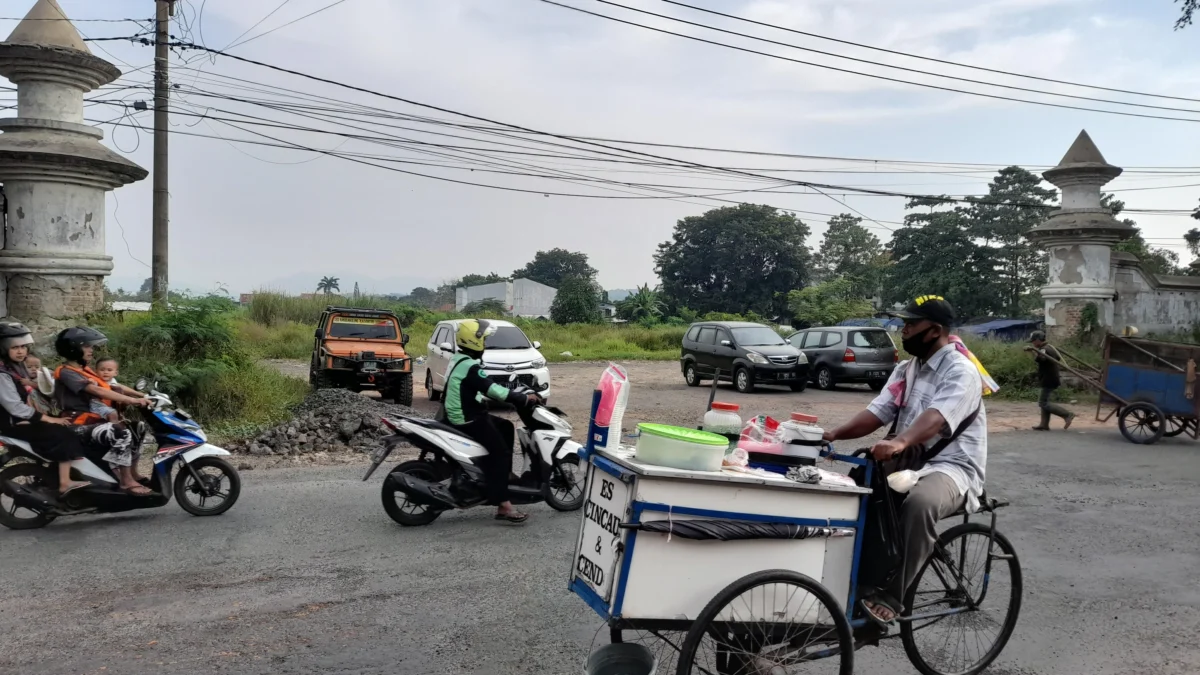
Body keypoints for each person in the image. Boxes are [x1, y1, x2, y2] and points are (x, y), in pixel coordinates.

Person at [822, 295, 987, 626]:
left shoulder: (961, 371)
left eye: (911, 325)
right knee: (851, 492)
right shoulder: (906, 369)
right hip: (909, 462)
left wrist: (899, 441)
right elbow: (877, 412)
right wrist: (831, 435)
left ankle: (892, 595)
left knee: (920, 504)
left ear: (934, 331)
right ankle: (852, 578)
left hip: (953, 468)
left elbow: (937, 418)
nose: (904, 330)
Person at [442, 319, 540, 524]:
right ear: (474, 341)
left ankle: (503, 474)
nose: (485, 344)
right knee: (500, 452)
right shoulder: (470, 366)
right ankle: (503, 505)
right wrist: (522, 398)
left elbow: (474, 388)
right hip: (466, 418)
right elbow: (492, 389)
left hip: (461, 413)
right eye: (484, 340)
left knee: (505, 426)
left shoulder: (459, 359)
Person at [53, 327, 153, 495]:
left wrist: (143, 395)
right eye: (86, 346)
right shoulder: (67, 373)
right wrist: (133, 401)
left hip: (94, 420)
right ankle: (126, 481)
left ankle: (133, 472)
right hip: (76, 423)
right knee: (120, 432)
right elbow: (98, 391)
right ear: (73, 348)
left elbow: (114, 386)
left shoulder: (86, 370)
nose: (91, 350)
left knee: (137, 427)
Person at [0, 323, 91, 495]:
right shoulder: (3, 374)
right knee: (63, 433)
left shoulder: (17, 369)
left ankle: (65, 474)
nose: (20, 351)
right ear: (4, 350)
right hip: (15, 424)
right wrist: (50, 419)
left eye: (23, 347)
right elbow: (15, 407)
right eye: (14, 348)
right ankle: (65, 483)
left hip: (25, 420)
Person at [1024, 330, 1075, 431]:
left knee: (1042, 402)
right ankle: (1044, 424)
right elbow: (1055, 358)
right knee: (1045, 401)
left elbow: (1041, 359)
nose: (1033, 343)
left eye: (1034, 341)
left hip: (1049, 378)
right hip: (1050, 377)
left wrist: (1034, 352)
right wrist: (1036, 351)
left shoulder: (1044, 349)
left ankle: (1067, 414)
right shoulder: (1049, 347)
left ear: (1038, 340)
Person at [90, 357, 139, 423]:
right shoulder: (95, 380)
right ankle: (115, 429)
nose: (105, 372)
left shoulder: (113, 381)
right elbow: (92, 385)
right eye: (102, 370)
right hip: (97, 406)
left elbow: (120, 388)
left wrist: (137, 396)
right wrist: (91, 382)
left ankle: (124, 421)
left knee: (123, 402)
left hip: (109, 405)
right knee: (113, 413)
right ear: (96, 371)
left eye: (109, 370)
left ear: (115, 373)